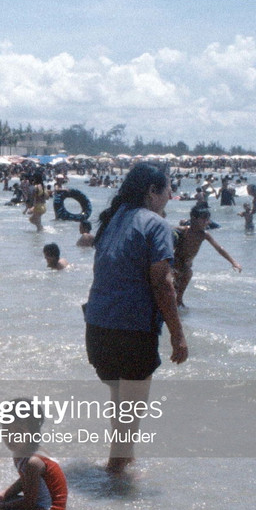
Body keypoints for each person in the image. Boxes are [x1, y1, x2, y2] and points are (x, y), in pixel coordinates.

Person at [83, 162, 186, 476]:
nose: (171, 195)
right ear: (152, 192)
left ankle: (122, 460)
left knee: (120, 404)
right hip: (131, 330)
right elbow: (161, 283)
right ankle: (115, 480)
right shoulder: (155, 224)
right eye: (168, 188)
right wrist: (177, 334)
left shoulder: (113, 219)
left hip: (97, 328)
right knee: (130, 411)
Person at [172, 204, 242, 307]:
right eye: (204, 219)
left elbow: (219, 248)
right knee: (174, 284)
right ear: (193, 218)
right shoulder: (183, 231)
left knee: (186, 277)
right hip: (176, 262)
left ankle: (179, 301)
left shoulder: (204, 235)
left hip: (187, 264)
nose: (207, 222)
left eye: (208, 219)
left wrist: (233, 262)